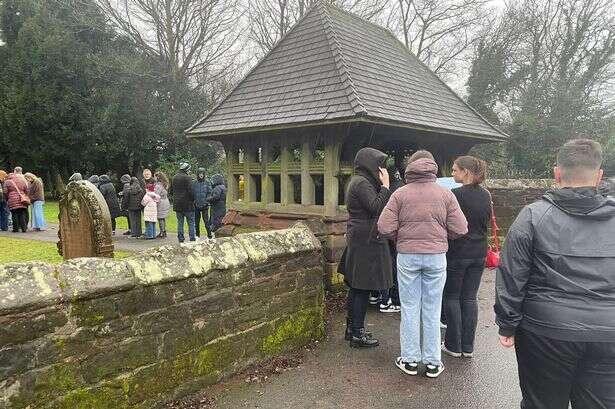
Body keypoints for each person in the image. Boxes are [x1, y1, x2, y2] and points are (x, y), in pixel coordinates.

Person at [495, 139, 615, 409]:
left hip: (546, 330)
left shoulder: (532, 216)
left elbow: (512, 274)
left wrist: (507, 322)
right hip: (608, 330)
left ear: (556, 173)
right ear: (598, 176)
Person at [378, 150, 467, 378]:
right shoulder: (446, 194)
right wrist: (440, 236)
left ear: (411, 167)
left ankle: (409, 359)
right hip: (436, 256)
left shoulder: (400, 194)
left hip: (407, 255)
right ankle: (432, 362)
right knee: (432, 308)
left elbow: (385, 227)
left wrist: (401, 237)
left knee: (409, 307)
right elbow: (460, 228)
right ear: (433, 167)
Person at [340, 147, 392, 349]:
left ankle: (353, 329)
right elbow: (375, 207)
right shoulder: (361, 183)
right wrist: (386, 187)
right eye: (378, 164)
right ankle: (358, 334)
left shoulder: (360, 181)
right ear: (369, 164)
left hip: (361, 237)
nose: (381, 169)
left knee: (357, 287)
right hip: (365, 240)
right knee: (361, 288)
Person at [441, 156, 491, 359]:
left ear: (466, 172)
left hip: (458, 251)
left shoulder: (455, 195)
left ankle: (453, 344)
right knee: (469, 298)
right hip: (479, 251)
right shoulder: (486, 194)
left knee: (452, 296)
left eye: (455, 170)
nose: (452, 173)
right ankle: (468, 346)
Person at [170, 162, 196, 243]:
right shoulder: (188, 178)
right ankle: (192, 238)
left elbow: (171, 191)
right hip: (188, 204)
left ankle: (180, 238)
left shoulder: (174, 177)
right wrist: (193, 199)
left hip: (177, 204)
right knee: (191, 222)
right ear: (187, 169)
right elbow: (191, 191)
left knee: (180, 222)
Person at [193, 168, 212, 238]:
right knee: (196, 222)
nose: (201, 175)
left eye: (202, 173)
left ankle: (209, 236)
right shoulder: (194, 183)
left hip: (205, 206)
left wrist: (206, 202)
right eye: (199, 173)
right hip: (196, 206)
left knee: (206, 222)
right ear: (197, 174)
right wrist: (194, 201)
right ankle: (197, 236)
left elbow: (210, 193)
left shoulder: (207, 182)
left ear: (204, 174)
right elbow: (192, 193)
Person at [154, 171, 171, 238]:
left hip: (161, 203)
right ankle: (164, 231)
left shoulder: (158, 185)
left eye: (155, 176)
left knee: (160, 218)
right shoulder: (165, 184)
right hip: (165, 201)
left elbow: (156, 195)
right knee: (162, 218)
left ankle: (162, 232)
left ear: (158, 177)